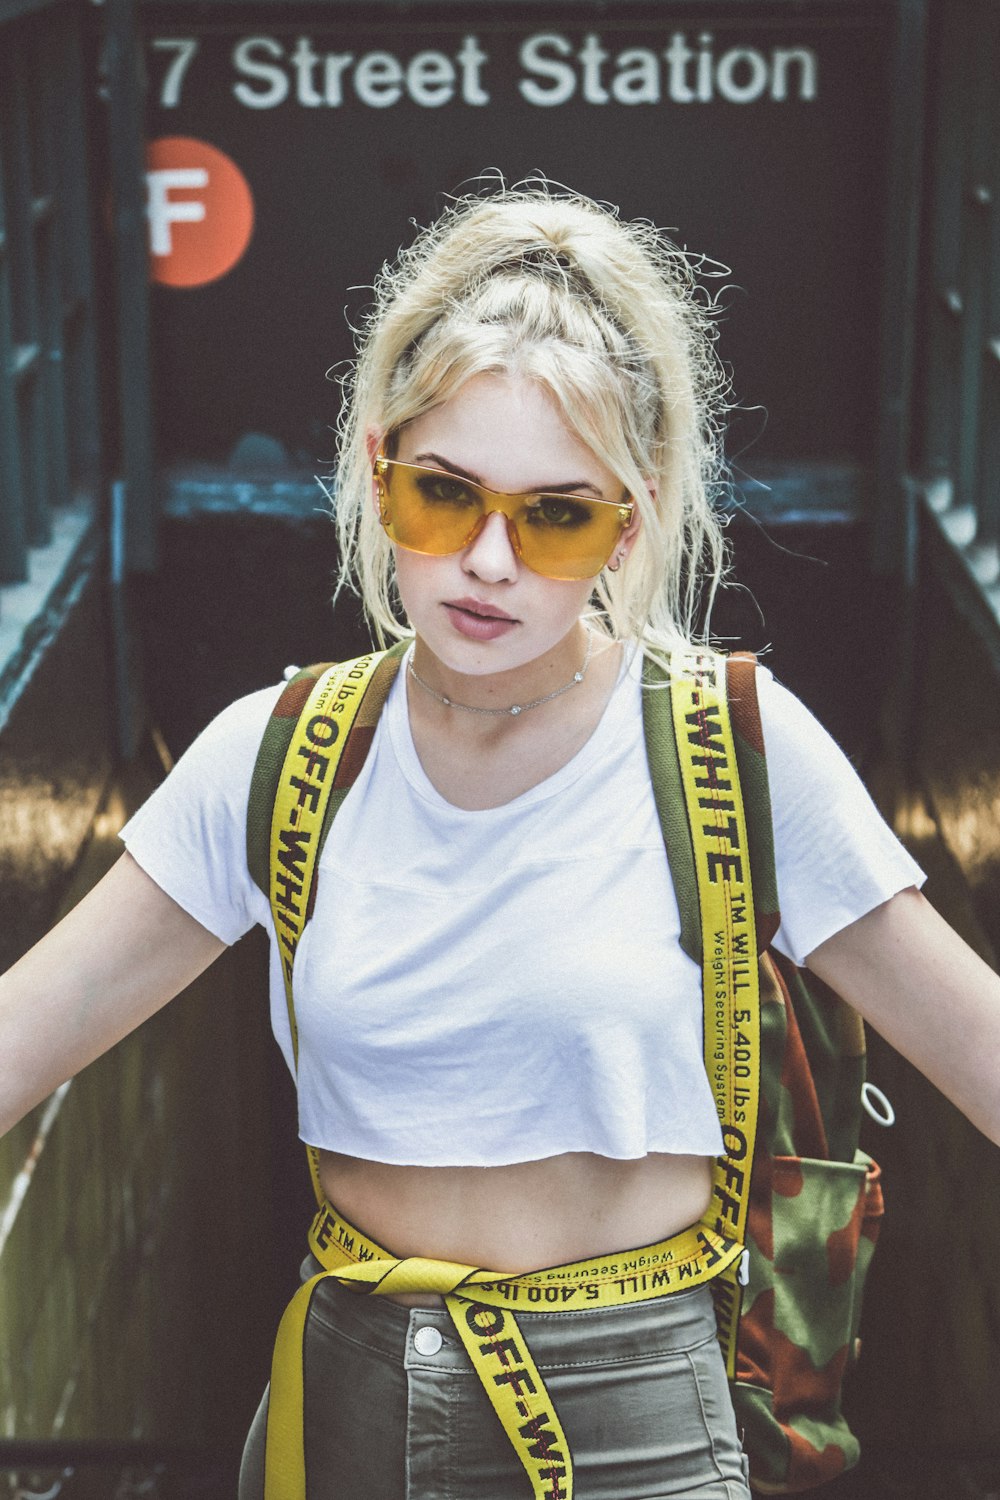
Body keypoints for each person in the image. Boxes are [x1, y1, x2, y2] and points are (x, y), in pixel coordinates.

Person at [2, 184, 1000, 1500]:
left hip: (635, 1413)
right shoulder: (277, 756)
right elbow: (32, 1027)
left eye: (555, 515)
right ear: (378, 466)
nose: (486, 560)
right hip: (348, 1396)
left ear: (630, 520)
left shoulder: (737, 754)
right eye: (443, 495)